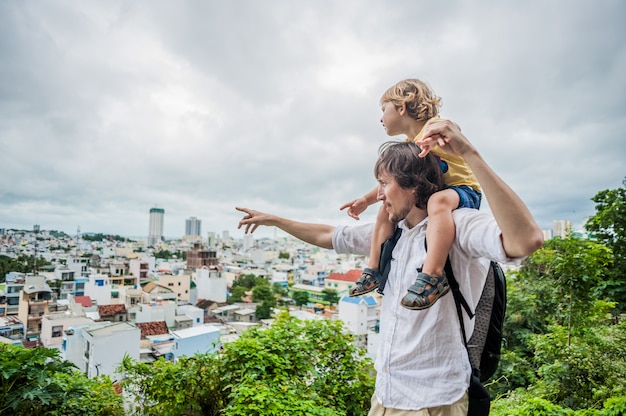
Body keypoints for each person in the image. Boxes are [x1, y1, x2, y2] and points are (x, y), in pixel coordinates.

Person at [236, 120, 543, 415]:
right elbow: (328, 235)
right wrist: (273, 220)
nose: (378, 195)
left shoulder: (459, 227)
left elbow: (526, 240)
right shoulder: (392, 233)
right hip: (385, 395)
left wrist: (470, 154)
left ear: (413, 185)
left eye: (384, 183)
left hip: (433, 400)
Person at [340, 79, 482, 310]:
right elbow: (394, 183)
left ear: (401, 107)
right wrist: (366, 200)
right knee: (385, 208)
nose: (381, 118)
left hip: (462, 192)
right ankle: (374, 268)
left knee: (438, 200)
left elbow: (452, 128)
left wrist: (443, 136)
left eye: (383, 110)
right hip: (432, 192)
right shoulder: (409, 144)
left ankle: (432, 275)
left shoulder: (436, 127)